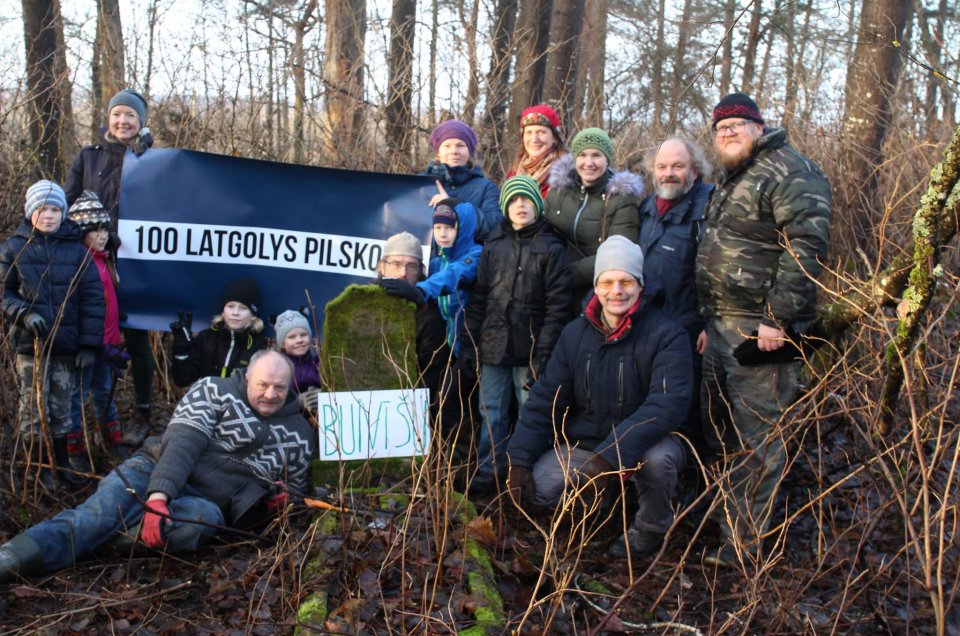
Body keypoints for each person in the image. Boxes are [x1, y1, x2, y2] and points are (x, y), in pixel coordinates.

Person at [0, 350, 315, 582]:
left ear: (291, 387)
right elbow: (182, 443)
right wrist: (158, 497)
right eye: (262, 385)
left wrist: (278, 503)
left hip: (204, 504)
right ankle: (10, 559)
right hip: (151, 470)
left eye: (280, 388)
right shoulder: (214, 390)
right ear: (247, 376)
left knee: (199, 522)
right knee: (93, 519)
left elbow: (298, 496)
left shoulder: (299, 434)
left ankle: (95, 545)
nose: (270, 395)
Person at [695, 93, 831, 566]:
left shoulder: (790, 170)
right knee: (719, 431)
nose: (728, 132)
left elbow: (807, 247)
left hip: (763, 332)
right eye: (721, 127)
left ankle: (744, 548)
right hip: (722, 327)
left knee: (758, 441)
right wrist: (712, 322)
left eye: (738, 124)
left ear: (759, 126)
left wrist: (778, 321)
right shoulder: (734, 178)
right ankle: (719, 525)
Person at [505, 236, 693, 557]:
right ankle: (606, 503)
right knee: (540, 492)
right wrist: (519, 459)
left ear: (640, 285)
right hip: (589, 441)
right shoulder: (575, 333)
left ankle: (651, 526)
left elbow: (666, 405)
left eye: (625, 281)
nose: (616, 291)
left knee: (658, 462)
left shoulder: (667, 334)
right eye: (606, 281)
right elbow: (547, 398)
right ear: (596, 286)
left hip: (649, 442)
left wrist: (610, 457)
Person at [463, 176, 572, 491]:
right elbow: (480, 298)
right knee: (491, 411)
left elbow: (558, 307)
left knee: (531, 413)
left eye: (526, 199)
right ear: (505, 207)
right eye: (513, 200)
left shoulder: (551, 247)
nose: (520, 205)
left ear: (537, 205)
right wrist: (471, 344)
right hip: (493, 345)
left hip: (532, 348)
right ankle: (488, 470)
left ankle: (530, 474)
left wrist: (545, 353)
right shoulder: (493, 245)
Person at [64, 88, 156, 443]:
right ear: (109, 118)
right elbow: (68, 205)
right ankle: (90, 417)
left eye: (130, 116)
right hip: (93, 264)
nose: (123, 121)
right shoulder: (88, 157)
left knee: (137, 338)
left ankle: (143, 412)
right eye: (117, 114)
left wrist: (145, 155)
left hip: (136, 264)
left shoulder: (151, 159)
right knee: (93, 337)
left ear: (141, 122)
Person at [0, 180, 105, 490]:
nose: (49, 215)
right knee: (33, 408)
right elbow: (4, 293)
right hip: (30, 347)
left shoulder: (77, 252)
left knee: (61, 409)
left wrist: (89, 344)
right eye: (43, 209)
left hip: (66, 347)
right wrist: (24, 313)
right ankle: (34, 469)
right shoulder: (14, 248)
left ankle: (58, 468)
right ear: (31, 212)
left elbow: (92, 300)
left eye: (55, 209)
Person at [638, 137, 714, 457]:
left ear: (695, 171)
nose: (669, 173)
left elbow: (719, 271)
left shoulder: (708, 209)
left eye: (678, 166)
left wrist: (710, 323)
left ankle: (692, 483)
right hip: (649, 327)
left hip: (689, 331)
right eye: (662, 166)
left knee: (689, 411)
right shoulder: (646, 209)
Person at [544, 128, 643, 308]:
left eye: (596, 155)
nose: (588, 163)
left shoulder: (621, 198)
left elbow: (620, 252)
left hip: (595, 292)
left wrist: (567, 274)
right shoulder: (557, 191)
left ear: (607, 159)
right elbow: (542, 233)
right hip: (553, 287)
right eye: (582, 155)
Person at [67, 191, 129, 466]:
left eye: (105, 229)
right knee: (77, 395)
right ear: (83, 233)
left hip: (109, 341)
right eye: (96, 231)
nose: (103, 235)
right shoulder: (79, 263)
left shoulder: (105, 259)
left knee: (104, 390)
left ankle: (110, 440)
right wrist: (85, 342)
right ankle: (76, 448)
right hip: (88, 344)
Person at [376, 232, 448, 408]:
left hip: (407, 405)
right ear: (382, 266)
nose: (403, 273)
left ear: (421, 271)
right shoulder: (359, 302)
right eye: (396, 264)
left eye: (411, 266)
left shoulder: (430, 315)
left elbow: (431, 375)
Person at [168, 278, 268, 389]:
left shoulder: (259, 346)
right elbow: (182, 380)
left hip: (239, 404)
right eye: (230, 306)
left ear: (253, 315)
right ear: (223, 311)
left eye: (243, 308)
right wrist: (181, 351)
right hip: (204, 402)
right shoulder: (205, 338)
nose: (235, 313)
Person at [423, 119, 501, 240]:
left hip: (468, 258)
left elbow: (494, 227)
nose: (454, 151)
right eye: (447, 146)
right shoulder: (420, 184)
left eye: (460, 145)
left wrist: (454, 206)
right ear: (438, 152)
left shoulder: (486, 188)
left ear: (469, 151)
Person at [505, 105, 566, 199]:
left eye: (541, 132)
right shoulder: (514, 173)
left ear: (555, 138)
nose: (534, 139)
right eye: (529, 132)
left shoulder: (566, 175)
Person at [272, 309, 321, 411]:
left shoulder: (320, 361)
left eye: (303, 335)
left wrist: (324, 394)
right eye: (292, 337)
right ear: (283, 343)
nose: (299, 340)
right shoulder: (275, 367)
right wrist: (297, 401)